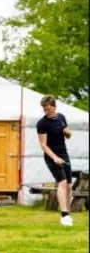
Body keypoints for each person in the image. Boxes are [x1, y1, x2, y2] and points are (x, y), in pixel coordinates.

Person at [36, 95, 73, 227]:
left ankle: (68, 213)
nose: (46, 112)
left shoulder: (61, 117)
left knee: (69, 185)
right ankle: (64, 215)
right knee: (62, 182)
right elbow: (43, 145)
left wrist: (68, 133)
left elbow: (67, 134)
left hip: (64, 153)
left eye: (48, 109)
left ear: (54, 106)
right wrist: (55, 158)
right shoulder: (42, 123)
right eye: (44, 109)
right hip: (51, 156)